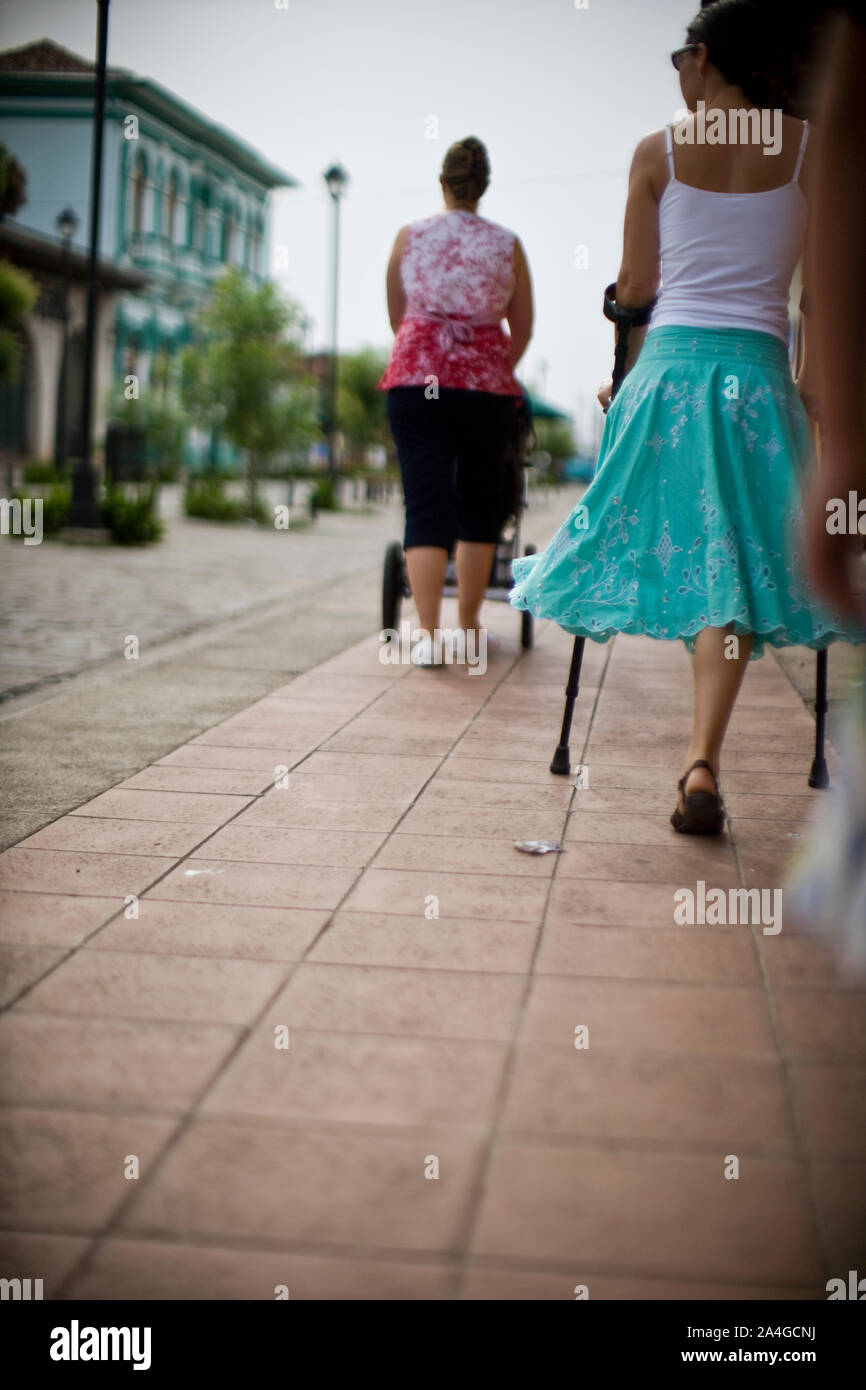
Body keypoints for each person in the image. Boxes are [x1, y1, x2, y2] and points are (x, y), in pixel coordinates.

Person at [510, 0, 864, 834]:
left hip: (668, 380)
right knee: (732, 572)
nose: (676, 75)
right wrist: (811, 383)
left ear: (704, 60)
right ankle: (703, 755)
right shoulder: (809, 150)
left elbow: (636, 292)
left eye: (679, 60)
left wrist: (623, 379)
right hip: (757, 381)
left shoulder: (656, 152)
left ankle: (703, 761)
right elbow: (817, 293)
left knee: (698, 560)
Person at [379, 136, 534, 666]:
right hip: (484, 387)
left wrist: (428, 355)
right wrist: (491, 367)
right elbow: (524, 325)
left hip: (415, 380)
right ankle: (467, 628)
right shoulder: (507, 244)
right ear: (483, 186)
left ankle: (424, 636)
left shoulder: (410, 236)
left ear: (443, 184)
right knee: (479, 503)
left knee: (425, 503)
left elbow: (399, 316)